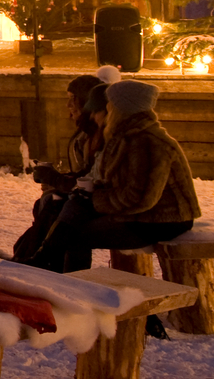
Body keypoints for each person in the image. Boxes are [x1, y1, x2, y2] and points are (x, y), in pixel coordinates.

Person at [29, 78, 199, 275]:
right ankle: (45, 264)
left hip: (162, 221)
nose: (105, 110)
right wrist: (87, 196)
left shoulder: (146, 142)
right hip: (142, 215)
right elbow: (112, 182)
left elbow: (140, 197)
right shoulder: (125, 137)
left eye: (110, 105)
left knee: (77, 235)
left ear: (122, 108)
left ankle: (66, 282)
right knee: (72, 208)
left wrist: (95, 200)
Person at [9, 72, 111, 261]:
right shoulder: (87, 133)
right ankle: (32, 259)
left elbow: (94, 179)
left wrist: (55, 179)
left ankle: (51, 269)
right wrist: (56, 180)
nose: (68, 106)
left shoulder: (103, 135)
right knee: (48, 202)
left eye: (72, 100)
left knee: (62, 209)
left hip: (105, 202)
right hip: (94, 197)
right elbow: (86, 174)